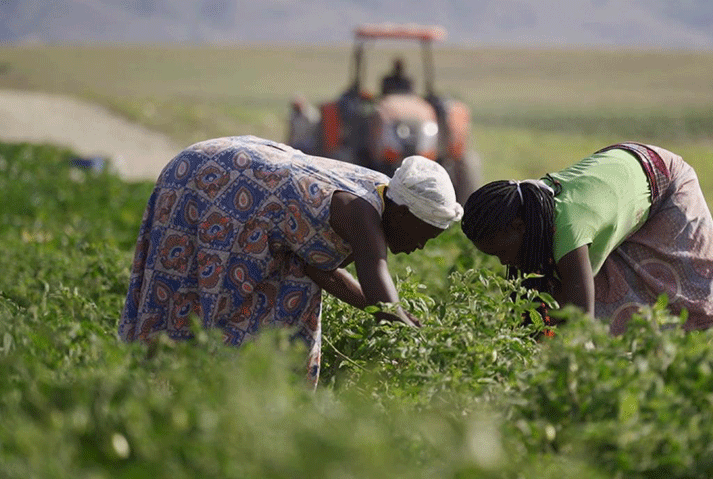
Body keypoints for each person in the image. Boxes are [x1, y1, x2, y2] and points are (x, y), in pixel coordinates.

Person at [117, 135, 463, 381]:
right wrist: (425, 345)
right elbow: (381, 300)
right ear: (402, 213)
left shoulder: (383, 195)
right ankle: (155, 385)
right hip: (211, 179)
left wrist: (400, 319)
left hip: (239, 179)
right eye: (424, 235)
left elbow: (319, 269)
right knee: (184, 293)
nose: (421, 247)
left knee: (256, 314)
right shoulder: (362, 215)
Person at [461, 142, 713, 334]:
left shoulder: (569, 229)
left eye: (501, 252)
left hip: (664, 176)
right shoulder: (533, 207)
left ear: (519, 226)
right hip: (618, 178)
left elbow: (581, 319)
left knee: (698, 284)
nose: (503, 262)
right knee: (602, 288)